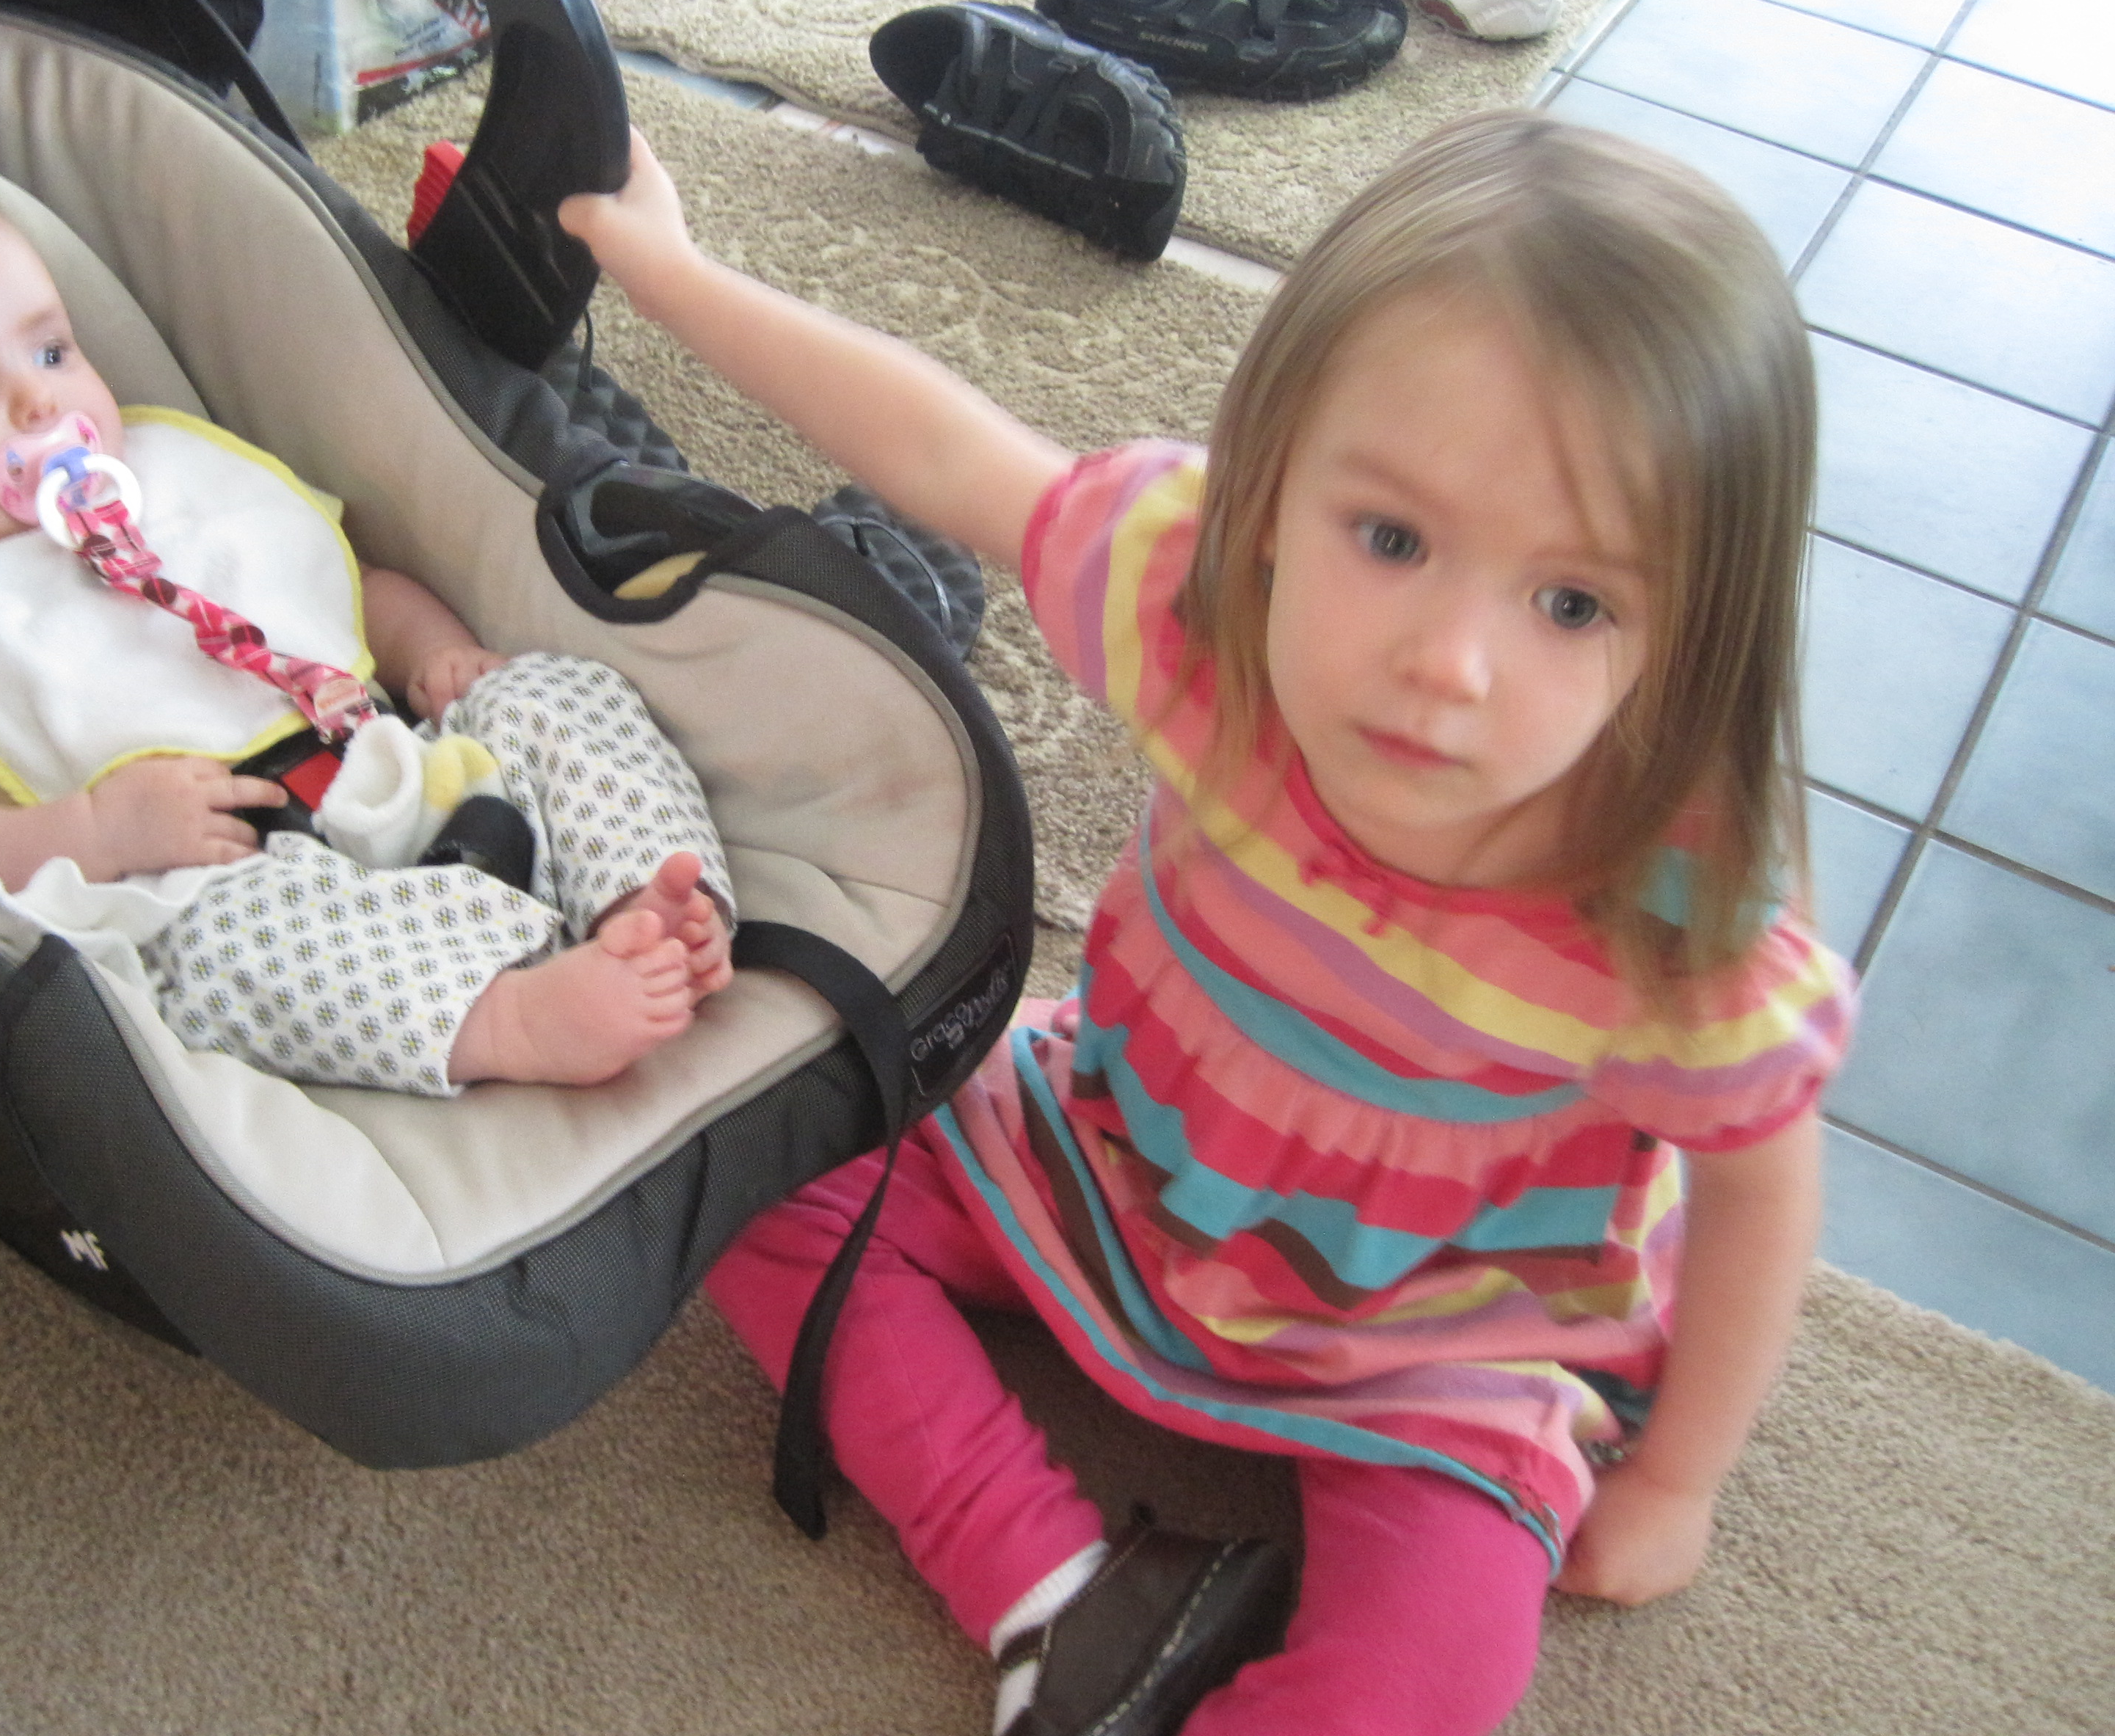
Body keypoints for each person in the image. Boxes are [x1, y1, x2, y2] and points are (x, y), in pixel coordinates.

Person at [557, 109, 1853, 1736]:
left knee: (1434, 1684)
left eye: (1572, 602)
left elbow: (1760, 1188)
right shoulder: (1202, 614)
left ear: (1695, 632)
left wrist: (1680, 1480)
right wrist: (675, 275)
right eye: (1391, 539)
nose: (1448, 666)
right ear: (1268, 493)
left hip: (1442, 1341)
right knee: (737, 1146)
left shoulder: (1670, 920)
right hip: (1115, 1156)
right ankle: (1052, 1597)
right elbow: (947, 452)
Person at [0, 178, 732, 1096]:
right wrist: (94, 833)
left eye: (52, 352)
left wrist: (434, 655)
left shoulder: (175, 479)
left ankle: (641, 898)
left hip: (408, 769)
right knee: (215, 951)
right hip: (230, 873)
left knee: (554, 689)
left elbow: (347, 586)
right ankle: (507, 1019)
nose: (39, 402)